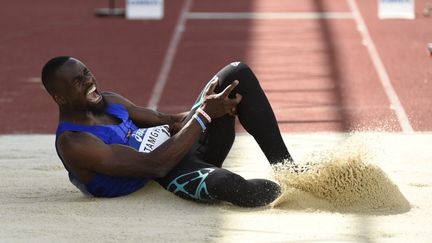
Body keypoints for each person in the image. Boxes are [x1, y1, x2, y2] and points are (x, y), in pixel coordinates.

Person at [41, 57, 294, 207]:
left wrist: (212, 105)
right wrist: (205, 114)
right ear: (59, 97)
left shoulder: (109, 101)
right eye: (78, 81)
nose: (89, 81)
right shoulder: (74, 142)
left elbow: (169, 121)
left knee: (236, 73)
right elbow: (155, 165)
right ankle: (291, 196)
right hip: (163, 174)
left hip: (181, 145)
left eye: (86, 73)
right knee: (228, 184)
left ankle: (291, 172)